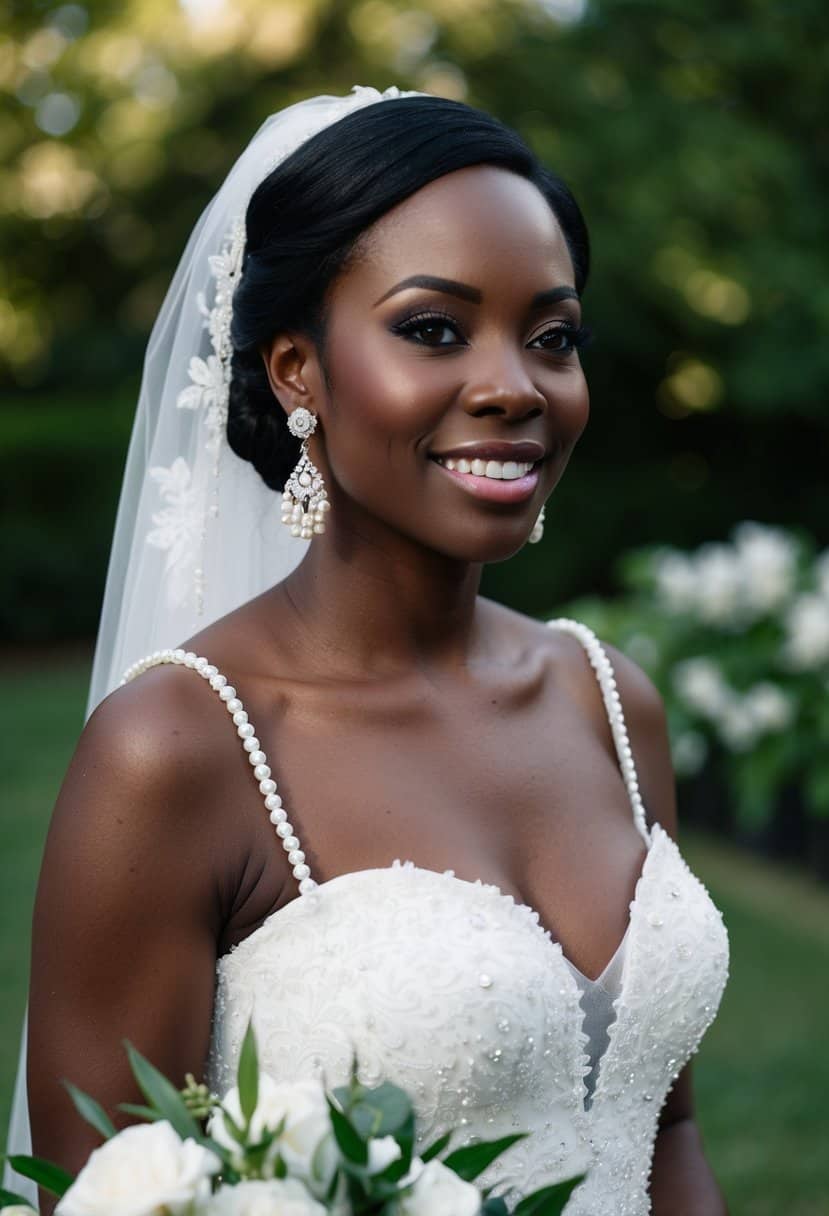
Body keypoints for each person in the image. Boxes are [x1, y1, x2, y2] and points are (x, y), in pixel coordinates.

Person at [5, 86, 729, 1214]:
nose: (511, 386)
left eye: (553, 338)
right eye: (433, 329)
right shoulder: (178, 749)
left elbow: (665, 1133)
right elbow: (101, 1192)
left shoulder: (607, 701)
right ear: (297, 369)